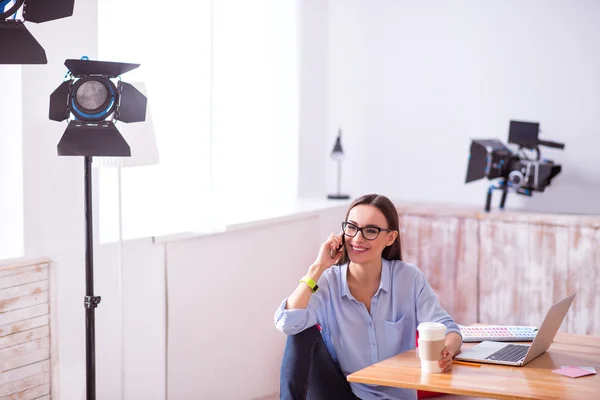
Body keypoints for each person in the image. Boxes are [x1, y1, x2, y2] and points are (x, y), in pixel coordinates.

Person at [274, 194, 463, 400]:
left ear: (390, 238)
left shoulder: (409, 278)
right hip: (342, 392)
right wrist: (317, 268)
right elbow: (288, 324)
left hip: (395, 396)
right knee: (301, 329)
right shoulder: (328, 281)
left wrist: (447, 351)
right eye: (351, 227)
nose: (357, 238)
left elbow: (448, 329)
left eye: (370, 231)